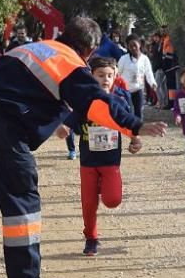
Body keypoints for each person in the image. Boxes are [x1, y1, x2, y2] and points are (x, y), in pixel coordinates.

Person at [0, 16, 167, 278]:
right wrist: (134, 125)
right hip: (5, 130)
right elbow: (95, 104)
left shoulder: (27, 49)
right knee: (22, 206)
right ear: (89, 50)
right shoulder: (68, 62)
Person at [55, 56, 140, 256]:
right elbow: (70, 121)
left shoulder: (120, 100)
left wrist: (135, 139)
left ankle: (106, 185)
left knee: (112, 200)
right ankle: (91, 238)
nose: (105, 79)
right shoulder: (85, 103)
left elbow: (128, 123)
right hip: (88, 163)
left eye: (110, 75)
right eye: (100, 75)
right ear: (91, 78)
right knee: (89, 203)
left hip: (110, 162)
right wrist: (64, 129)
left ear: (115, 76)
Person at [117, 34, 154, 118]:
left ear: (139, 44)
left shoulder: (145, 59)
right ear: (128, 47)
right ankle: (128, 130)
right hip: (126, 91)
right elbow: (118, 74)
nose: (133, 48)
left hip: (138, 90)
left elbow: (149, 73)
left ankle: (138, 130)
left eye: (135, 45)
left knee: (139, 113)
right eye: (130, 46)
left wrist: (153, 84)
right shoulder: (123, 59)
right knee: (128, 112)